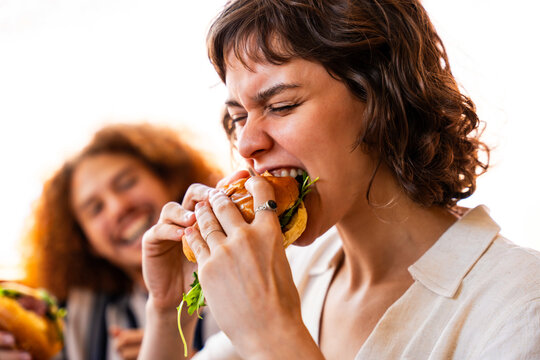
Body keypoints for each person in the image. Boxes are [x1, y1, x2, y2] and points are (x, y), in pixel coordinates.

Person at [140, 0, 540, 359]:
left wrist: (273, 339)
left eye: (281, 105)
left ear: (383, 99)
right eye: (239, 116)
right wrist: (165, 306)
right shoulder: (295, 266)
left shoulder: (521, 305)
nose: (246, 143)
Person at [0, 123, 221, 360]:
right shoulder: (76, 320)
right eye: (96, 209)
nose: (118, 208)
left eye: (127, 183)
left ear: (168, 180)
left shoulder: (233, 272)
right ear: (86, 242)